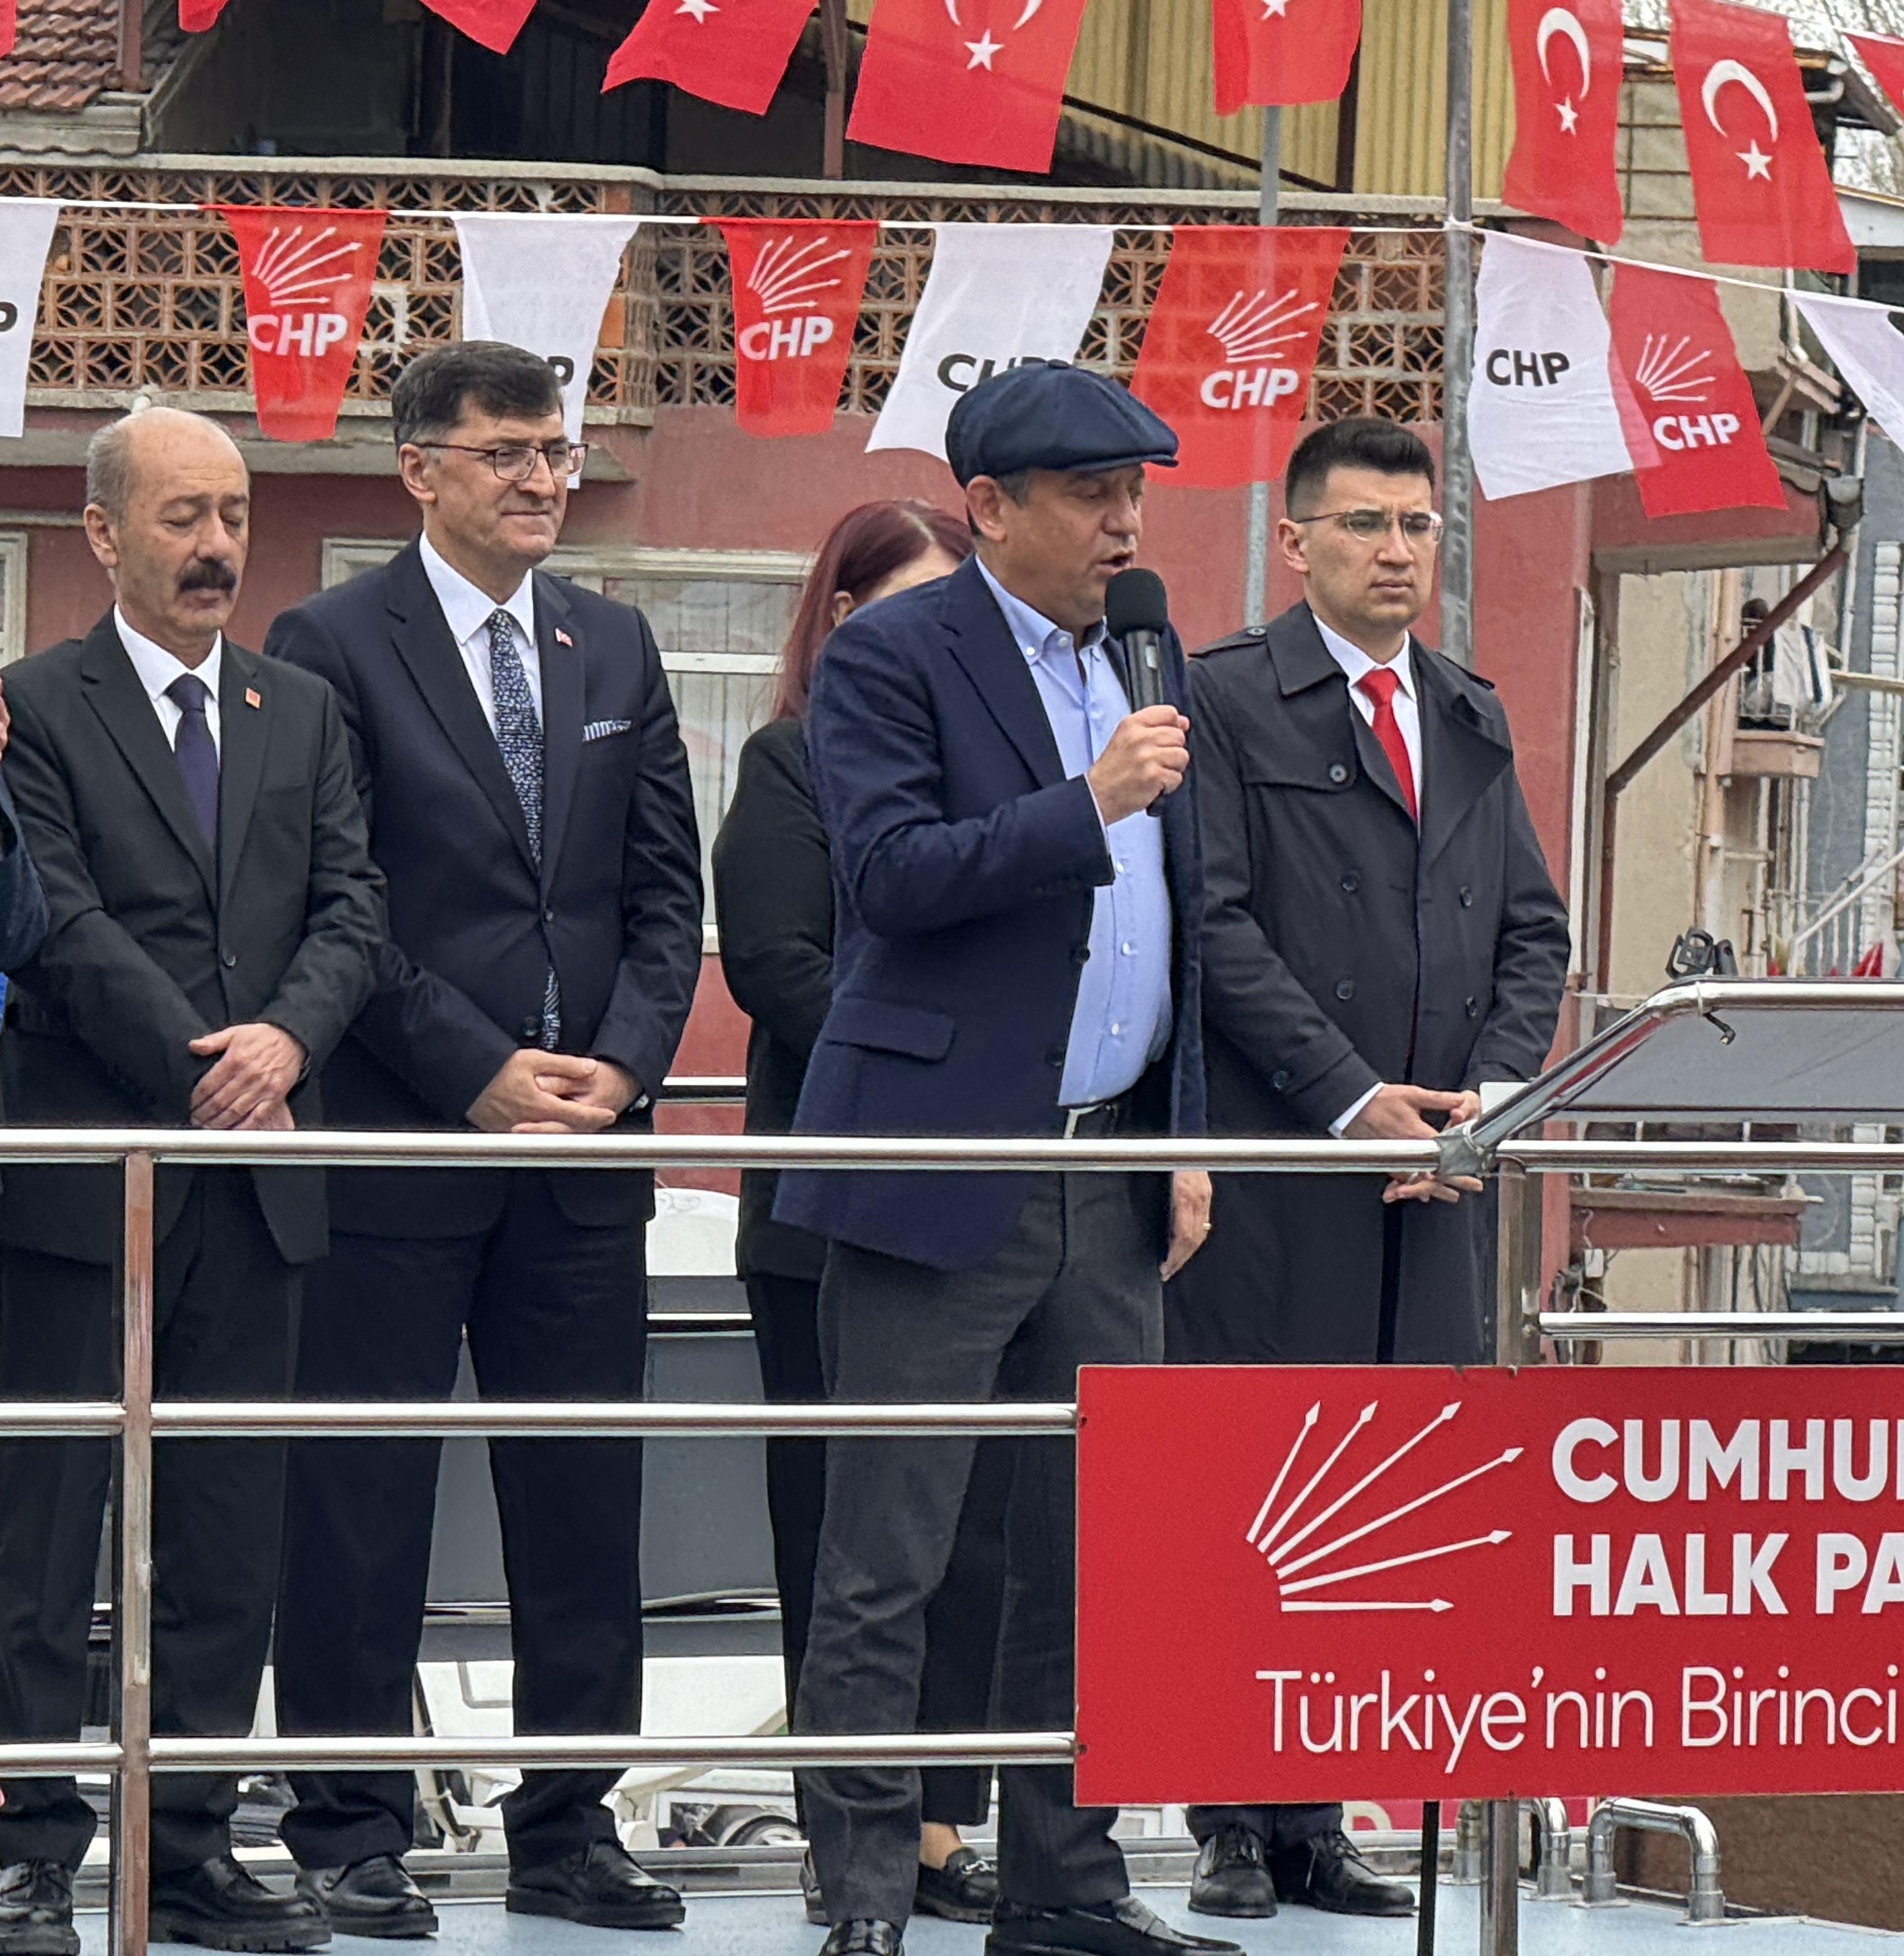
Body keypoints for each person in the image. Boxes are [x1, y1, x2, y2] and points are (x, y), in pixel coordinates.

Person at [779, 362, 1230, 1956]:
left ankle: (1066, 1884)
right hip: (941, 1159)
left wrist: (1180, 1137)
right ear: (989, 506)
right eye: (1093, 493)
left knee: (1092, 1558)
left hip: (1110, 1172)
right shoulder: (894, 654)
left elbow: (1177, 929)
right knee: (888, 1555)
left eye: (1137, 493)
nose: (1127, 524)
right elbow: (892, 876)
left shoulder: (1147, 659)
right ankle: (863, 1892)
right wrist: (1085, 800)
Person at [266, 342, 703, 1937]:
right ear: (420, 468)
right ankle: (348, 1828)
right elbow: (336, 898)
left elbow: (666, 892)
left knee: (583, 1502)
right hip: (400, 1142)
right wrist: (476, 1072)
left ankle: (571, 1828)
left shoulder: (614, 642)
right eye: (506, 451)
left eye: (554, 451)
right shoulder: (329, 644)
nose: (540, 479)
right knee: (360, 1501)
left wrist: (624, 1067)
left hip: (583, 1158)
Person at [0, 408, 384, 1956]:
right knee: (48, 1531)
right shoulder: (32, 706)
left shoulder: (301, 708)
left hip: (261, 1183)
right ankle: (34, 1857)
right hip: (92, 1182)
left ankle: (190, 1847)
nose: (217, 546)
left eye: (234, 514)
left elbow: (353, 905)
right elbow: (55, 922)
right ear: (103, 535)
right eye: (182, 517)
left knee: (226, 1530)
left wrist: (285, 1042)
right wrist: (206, 1066)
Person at [1168, 417, 1568, 1921]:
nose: (1397, 552)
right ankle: (1226, 1815)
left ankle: (1320, 1816)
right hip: (1286, 1173)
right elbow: (1213, 926)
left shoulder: (1468, 712)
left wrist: (1489, 1109)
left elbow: (1532, 929)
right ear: (1295, 543)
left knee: (1387, 1504)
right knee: (1254, 1499)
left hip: (1435, 1188)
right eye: (1363, 525)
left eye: (1416, 525)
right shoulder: (1223, 699)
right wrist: (1349, 1101)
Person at [711, 501, 1004, 1931]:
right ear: (842, 617)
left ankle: (944, 1823)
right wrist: (942, 1060)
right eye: (921, 606)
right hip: (830, 1209)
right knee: (844, 1536)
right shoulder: (791, 762)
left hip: (984, 1205)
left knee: (976, 1529)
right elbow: (778, 963)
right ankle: (855, 1840)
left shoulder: (993, 769)